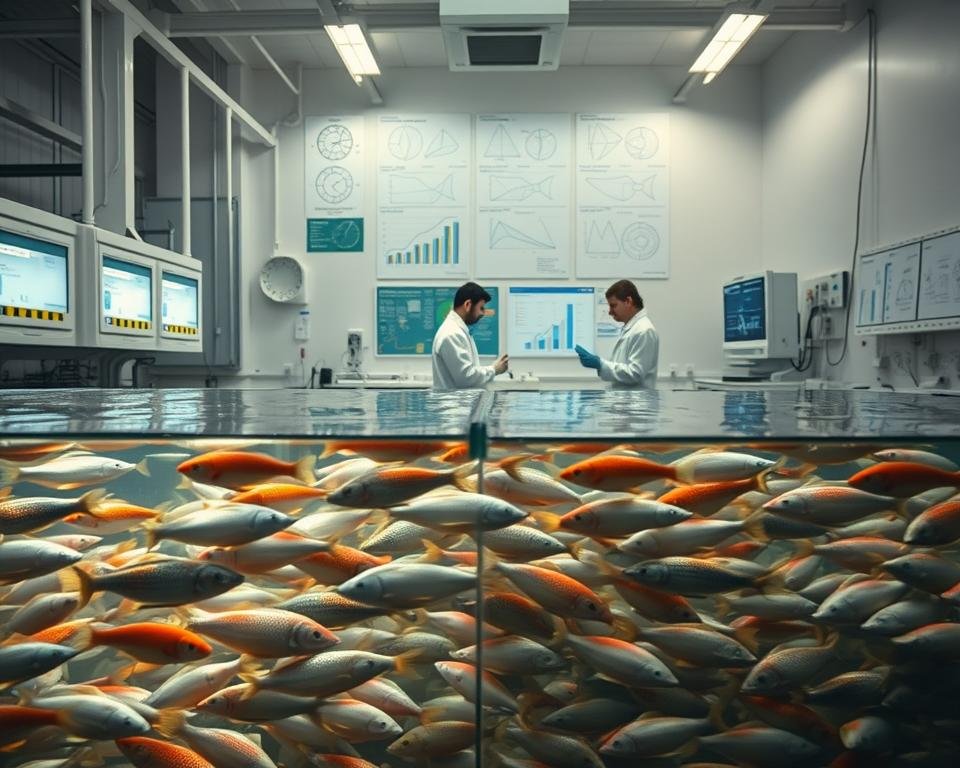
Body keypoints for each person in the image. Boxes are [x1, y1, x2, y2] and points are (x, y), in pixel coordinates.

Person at [575, 279, 659, 388]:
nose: (609, 312)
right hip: (626, 402)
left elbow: (635, 374)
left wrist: (601, 364)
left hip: (637, 403)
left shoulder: (644, 331)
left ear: (628, 301)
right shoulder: (632, 328)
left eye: (613, 305)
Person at [432, 282, 509, 390]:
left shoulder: (459, 330)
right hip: (454, 405)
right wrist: (494, 369)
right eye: (481, 308)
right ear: (468, 305)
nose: (483, 313)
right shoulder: (451, 334)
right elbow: (466, 378)